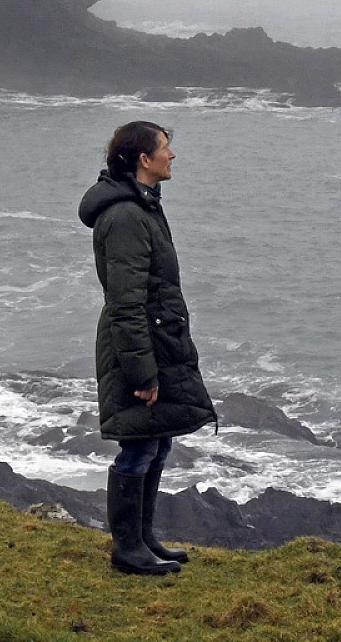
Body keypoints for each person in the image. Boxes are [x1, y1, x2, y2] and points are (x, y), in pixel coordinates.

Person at [78, 120, 216, 575]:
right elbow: (126, 302)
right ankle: (126, 549)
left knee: (157, 443)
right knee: (138, 446)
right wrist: (142, 373)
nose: (172, 155)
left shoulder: (143, 205)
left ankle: (142, 538)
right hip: (138, 347)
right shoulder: (126, 217)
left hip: (158, 340)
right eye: (165, 147)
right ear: (144, 159)